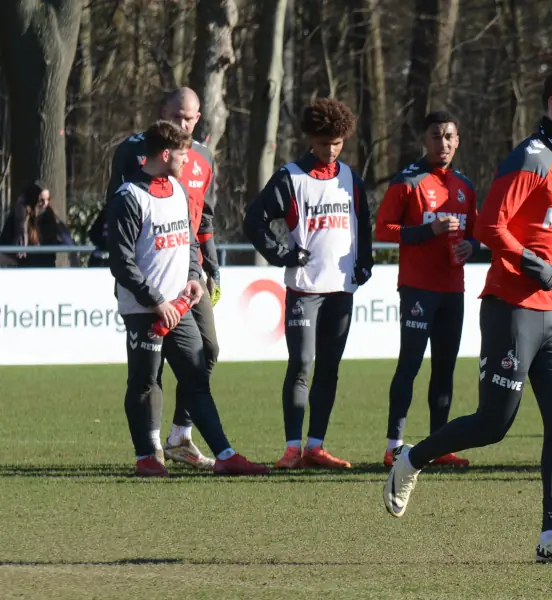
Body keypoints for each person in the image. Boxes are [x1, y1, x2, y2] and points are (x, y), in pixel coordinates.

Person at [384, 65, 552, 564]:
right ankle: (410, 459)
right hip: (512, 308)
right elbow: (489, 226)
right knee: (493, 424)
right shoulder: (531, 157)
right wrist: (533, 263)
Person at [108, 120, 267, 477]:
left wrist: (195, 277)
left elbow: (190, 241)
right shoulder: (129, 198)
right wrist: (155, 302)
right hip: (145, 310)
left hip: (179, 308)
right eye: (183, 154)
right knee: (145, 380)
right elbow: (121, 261)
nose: (188, 160)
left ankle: (225, 455)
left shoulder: (178, 190)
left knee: (196, 376)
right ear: (165, 154)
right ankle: (147, 456)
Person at [89, 88, 222, 470]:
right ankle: (149, 449)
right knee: (150, 370)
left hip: (190, 274)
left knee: (207, 351)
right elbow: (122, 218)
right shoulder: (136, 155)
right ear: (163, 113)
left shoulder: (203, 158)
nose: (185, 124)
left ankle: (181, 434)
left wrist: (208, 266)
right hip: (152, 280)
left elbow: (204, 217)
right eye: (178, 116)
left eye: (191, 118)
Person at [245, 98, 373, 470]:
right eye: (322, 143)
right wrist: (282, 253)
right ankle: (291, 448)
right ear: (309, 139)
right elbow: (254, 220)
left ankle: (316, 447)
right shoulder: (290, 177)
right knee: (301, 363)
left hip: (341, 290)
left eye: (336, 143)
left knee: (329, 368)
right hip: (304, 288)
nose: (329, 150)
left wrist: (364, 262)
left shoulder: (351, 178)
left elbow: (363, 225)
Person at [375, 110, 478, 468]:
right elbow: (383, 230)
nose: (444, 143)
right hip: (419, 289)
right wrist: (426, 231)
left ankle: (439, 445)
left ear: (458, 140)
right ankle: (393, 444)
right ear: (424, 139)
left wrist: (472, 247)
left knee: (445, 368)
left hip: (453, 289)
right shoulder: (408, 182)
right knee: (410, 365)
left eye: (450, 136)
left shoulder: (464, 186)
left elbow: (477, 234)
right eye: (436, 136)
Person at [0, 181, 76, 268]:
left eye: (48, 199)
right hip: (25, 272)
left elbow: (65, 242)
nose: (45, 204)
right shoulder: (17, 220)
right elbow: (3, 251)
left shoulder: (51, 218)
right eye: (41, 200)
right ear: (33, 199)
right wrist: (16, 263)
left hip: (47, 271)